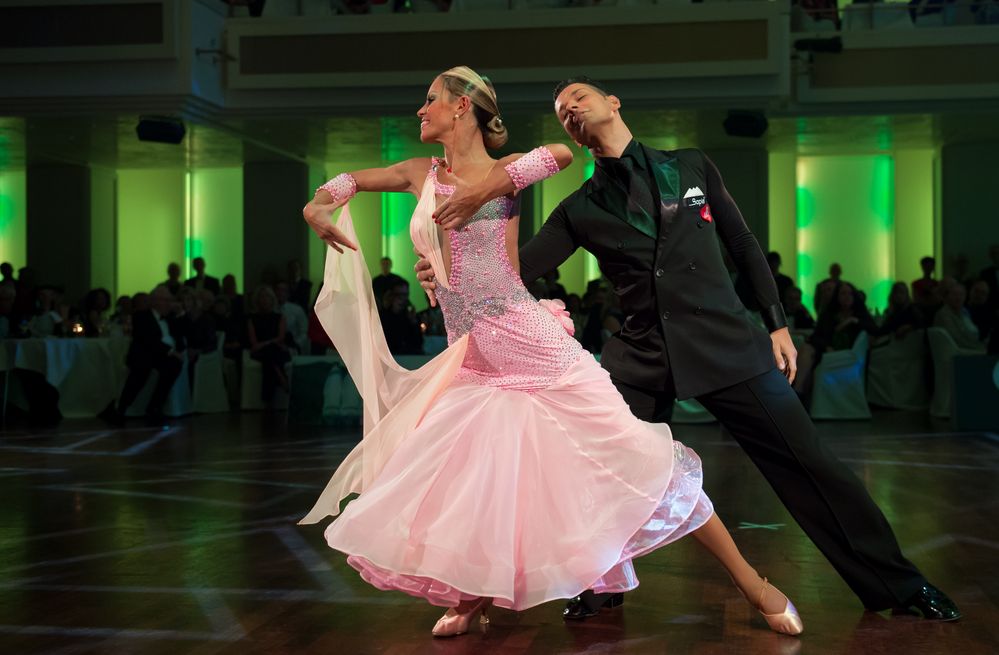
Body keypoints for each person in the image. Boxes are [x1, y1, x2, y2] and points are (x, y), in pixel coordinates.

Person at [419, 75, 959, 622]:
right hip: (643, 358)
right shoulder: (578, 208)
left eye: (580, 97)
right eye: (562, 111)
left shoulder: (692, 164)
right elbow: (514, 275)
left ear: (613, 101)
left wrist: (775, 322)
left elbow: (743, 243)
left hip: (726, 343)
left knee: (811, 466)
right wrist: (445, 271)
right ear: (571, 135)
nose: (573, 110)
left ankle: (899, 586)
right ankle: (603, 584)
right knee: (601, 469)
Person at [301, 66, 803, 638]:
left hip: (531, 345)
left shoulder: (504, 173)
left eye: (431, 100)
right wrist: (319, 205)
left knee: (638, 457)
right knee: (477, 478)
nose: (421, 110)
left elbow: (559, 154)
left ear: (463, 107)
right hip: (473, 354)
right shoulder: (420, 174)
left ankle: (751, 583)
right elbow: (354, 180)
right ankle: (472, 598)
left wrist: (487, 189)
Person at [100, 285, 185, 425]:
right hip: (145, 354)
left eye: (170, 300)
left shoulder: (170, 318)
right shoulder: (141, 316)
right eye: (166, 300)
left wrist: (179, 349)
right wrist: (171, 351)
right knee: (141, 368)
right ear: (155, 301)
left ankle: (155, 407)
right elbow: (148, 340)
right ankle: (121, 409)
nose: (170, 304)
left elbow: (178, 336)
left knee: (174, 366)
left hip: (162, 357)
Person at [247, 285, 290, 405]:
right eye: (262, 297)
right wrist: (268, 343)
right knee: (270, 354)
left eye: (267, 297)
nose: (264, 300)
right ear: (257, 300)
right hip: (260, 351)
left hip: (274, 349)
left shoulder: (279, 317)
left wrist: (266, 343)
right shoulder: (252, 319)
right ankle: (281, 378)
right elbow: (253, 342)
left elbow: (281, 338)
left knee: (270, 355)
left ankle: (267, 398)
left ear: (272, 300)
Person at [933, 283, 986, 351]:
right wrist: (980, 347)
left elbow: (973, 334)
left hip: (969, 350)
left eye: (961, 294)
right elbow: (955, 339)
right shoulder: (943, 314)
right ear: (947, 296)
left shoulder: (964, 313)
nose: (958, 297)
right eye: (955, 294)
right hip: (955, 353)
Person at [276, 280, 309, 353]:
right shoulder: (271, 309)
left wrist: (295, 345)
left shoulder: (297, 310)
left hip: (293, 348)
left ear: (288, 293)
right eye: (278, 290)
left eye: (283, 290)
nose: (280, 293)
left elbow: (304, 331)